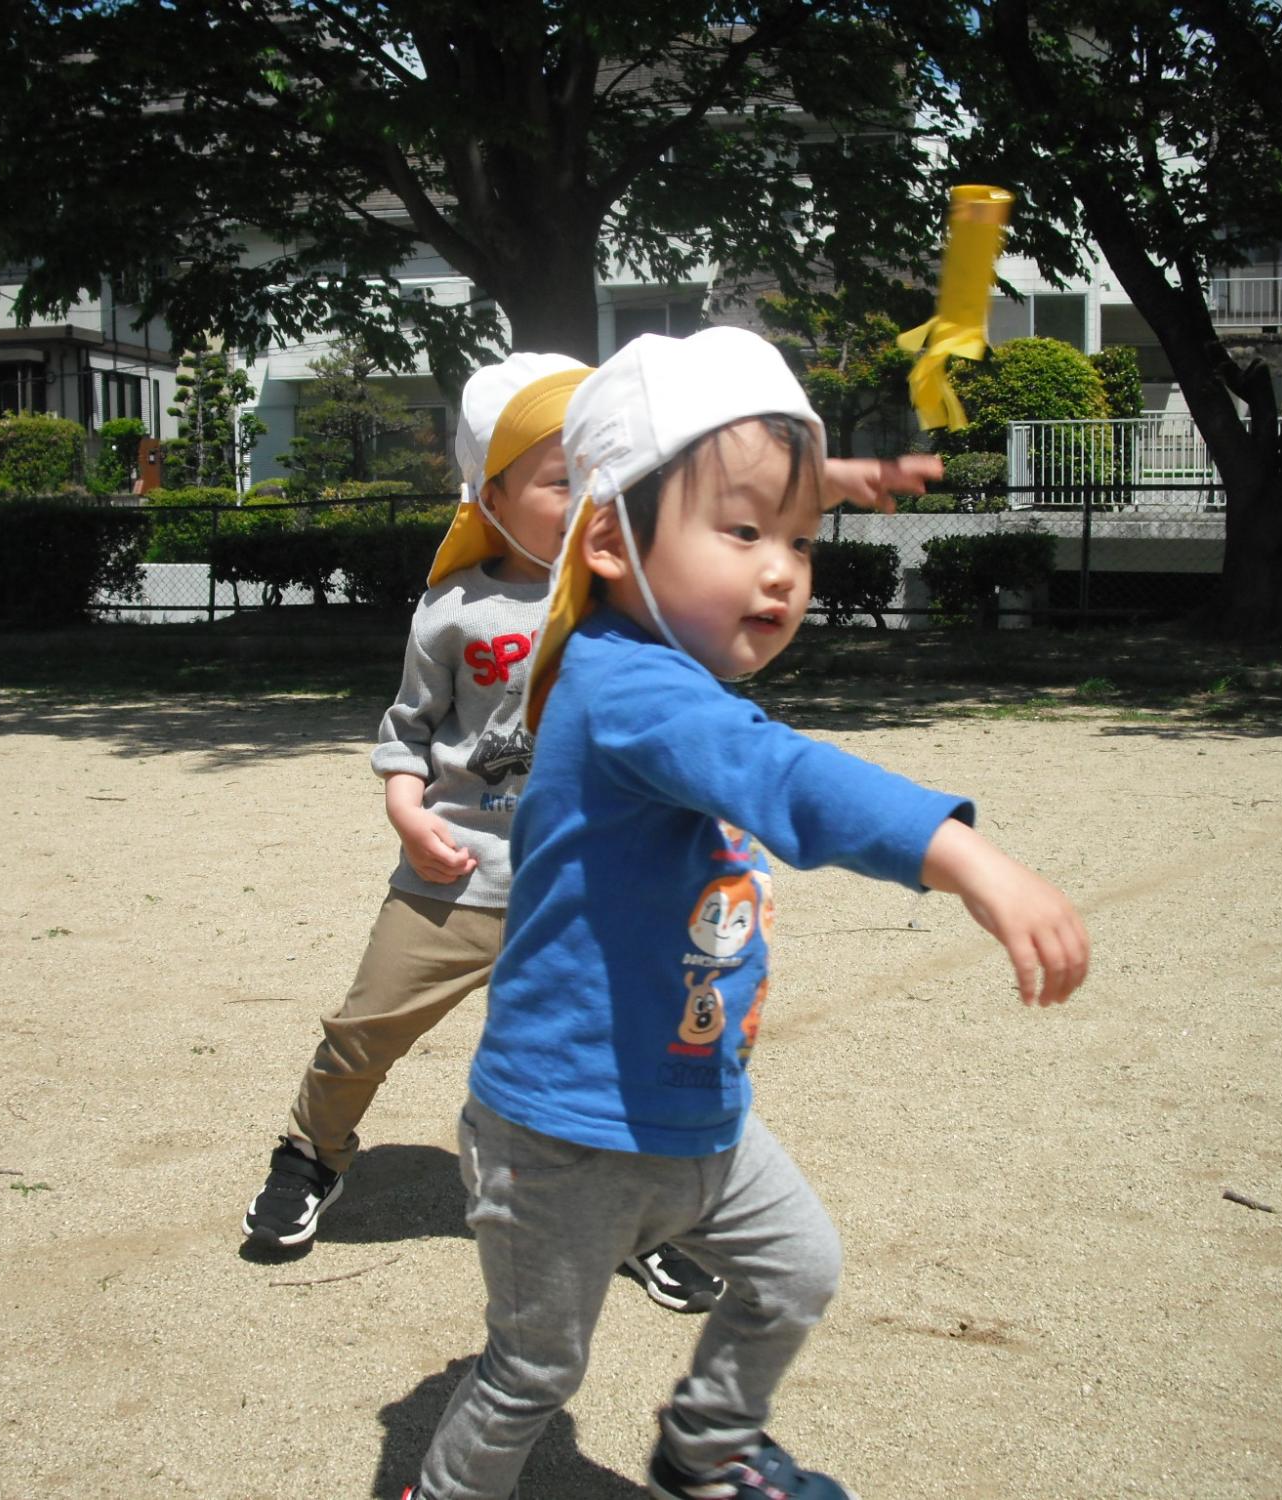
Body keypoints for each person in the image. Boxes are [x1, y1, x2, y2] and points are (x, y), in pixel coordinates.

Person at [402, 327, 1090, 1500]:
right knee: (535, 1368)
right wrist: (961, 854)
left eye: (799, 539)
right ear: (611, 541)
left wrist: (816, 484)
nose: (781, 571)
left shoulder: (665, 678)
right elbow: (786, 781)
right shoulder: (630, 691)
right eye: (741, 533)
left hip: (693, 1104)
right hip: (564, 1129)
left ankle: (705, 1446)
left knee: (795, 1269)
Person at [242, 351, 727, 1316]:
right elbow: (406, 737)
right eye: (560, 479)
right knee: (364, 1029)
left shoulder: (630, 602)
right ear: (491, 493)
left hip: (588, 889)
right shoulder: (453, 608)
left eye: (604, 476)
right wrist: (408, 814)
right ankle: (310, 1155)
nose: (587, 495)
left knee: (616, 1053)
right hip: (456, 873)